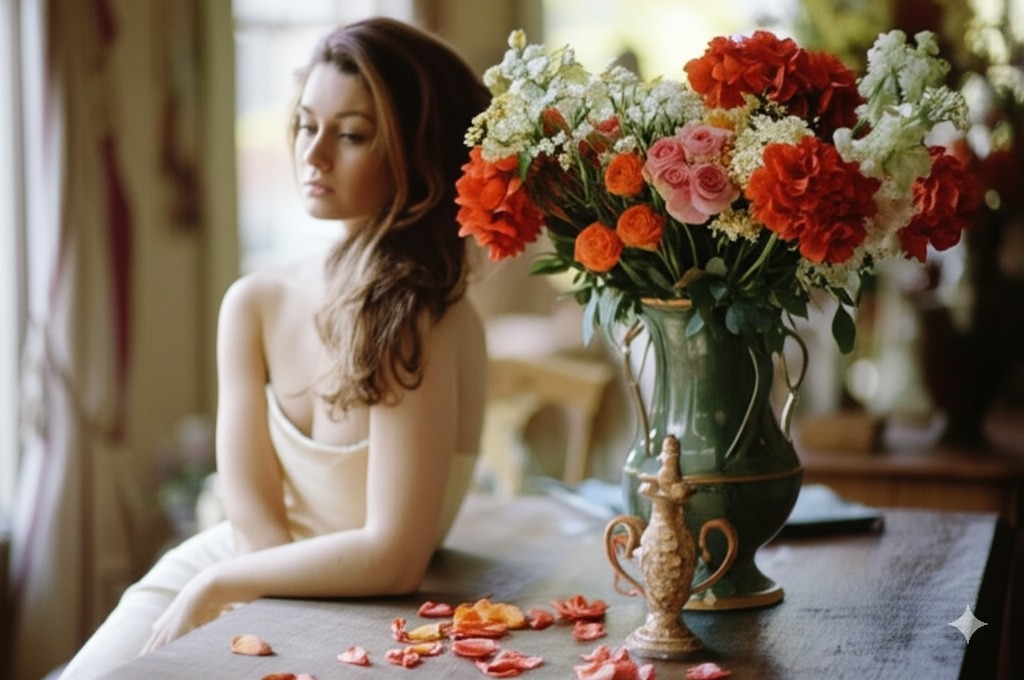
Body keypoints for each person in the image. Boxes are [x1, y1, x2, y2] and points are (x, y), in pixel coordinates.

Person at [60, 16, 489, 678]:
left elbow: (396, 556)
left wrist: (224, 589)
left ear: (420, 157)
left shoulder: (426, 320)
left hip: (359, 604)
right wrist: (232, 591)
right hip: (238, 566)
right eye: (304, 125)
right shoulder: (253, 303)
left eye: (350, 135)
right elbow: (253, 520)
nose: (313, 155)